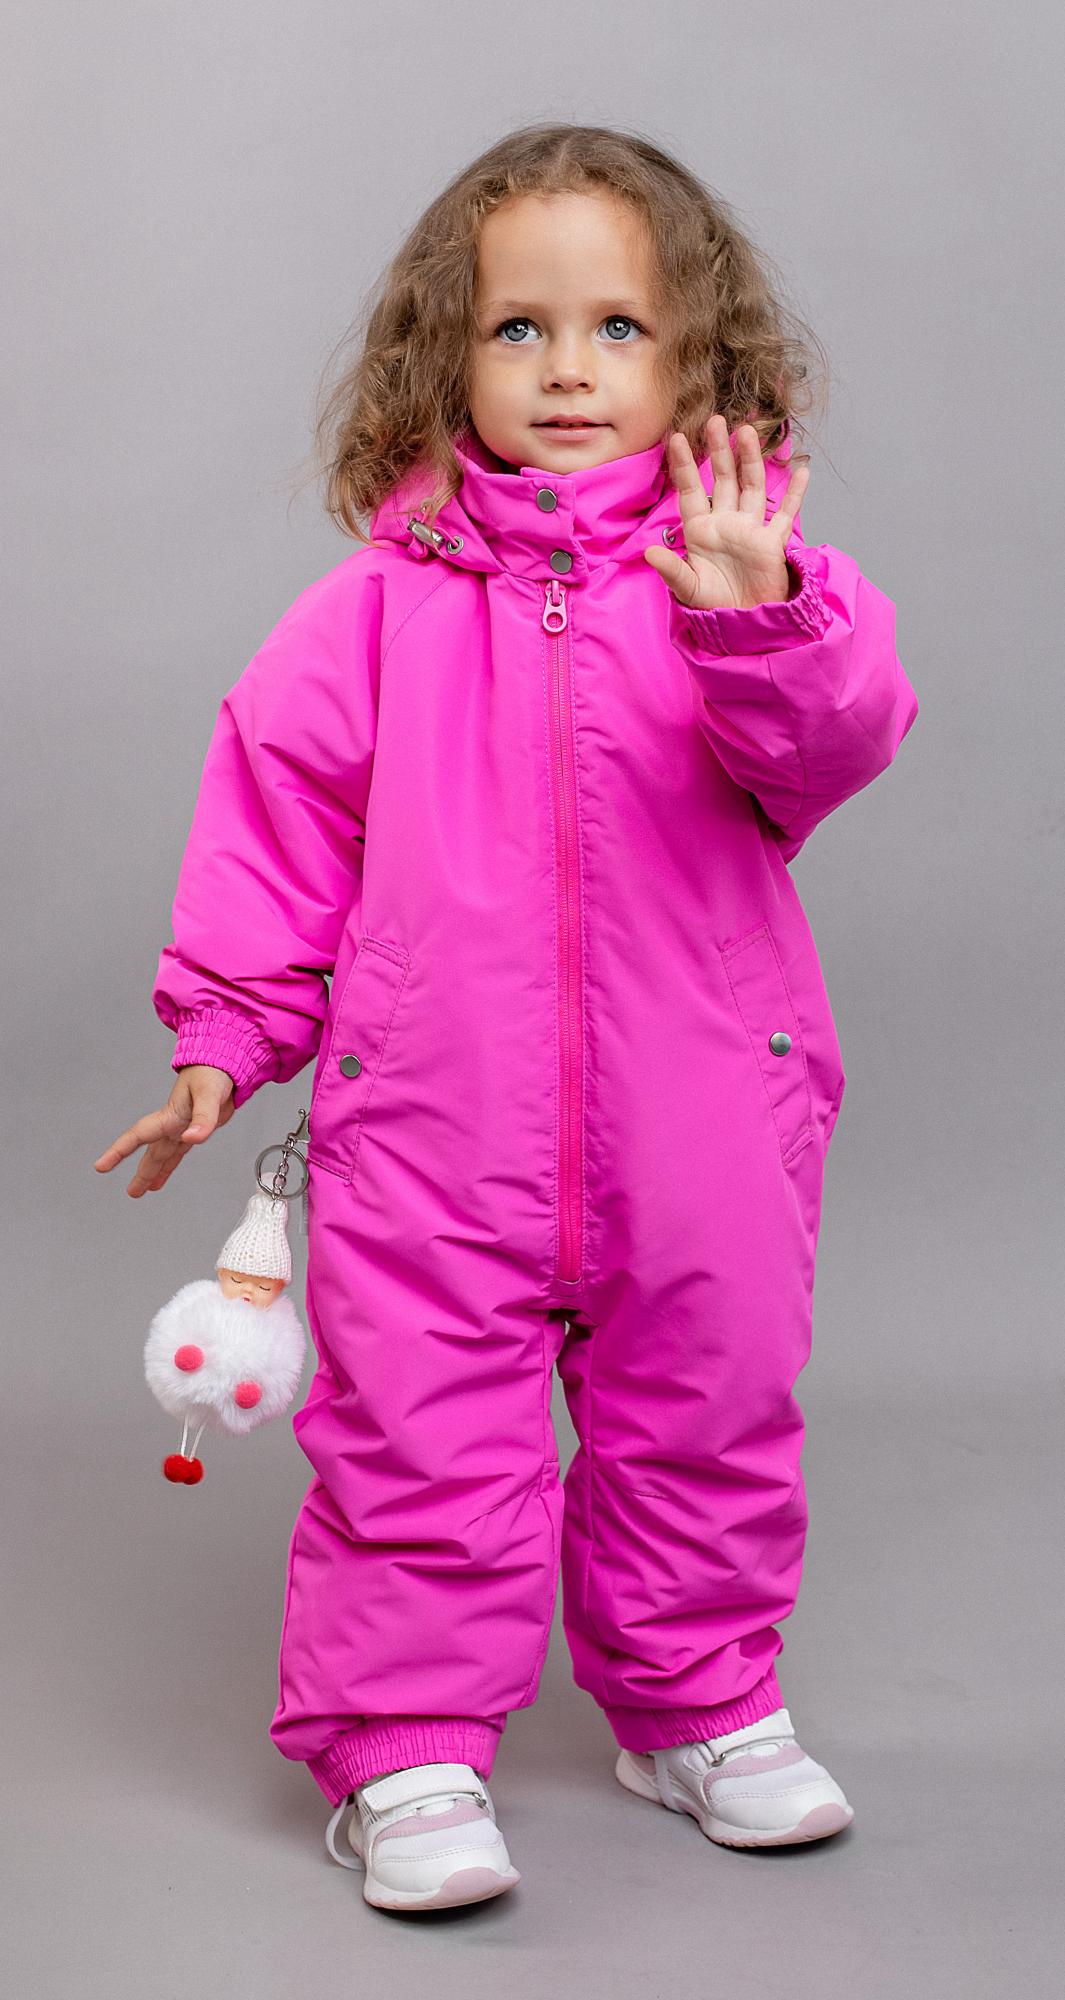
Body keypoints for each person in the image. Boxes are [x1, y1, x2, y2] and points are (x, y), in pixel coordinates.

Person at [94, 122, 918, 1912]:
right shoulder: (371, 616)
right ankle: (403, 1745)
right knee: (416, 1432)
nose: (566, 370)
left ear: (698, 362)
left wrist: (757, 621)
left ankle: (696, 1702)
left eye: (619, 329)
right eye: (517, 329)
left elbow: (838, 745)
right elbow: (273, 832)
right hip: (430, 1123)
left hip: (708, 1114)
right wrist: (222, 1041)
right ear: (443, 359)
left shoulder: (748, 577)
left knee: (707, 1412)